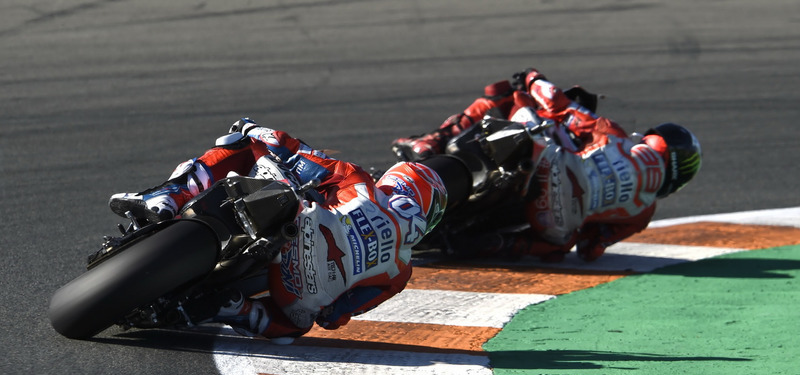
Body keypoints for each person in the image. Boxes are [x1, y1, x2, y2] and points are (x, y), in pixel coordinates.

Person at [109, 119, 467, 341]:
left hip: (302, 227)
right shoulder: (399, 273)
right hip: (298, 293)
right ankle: (235, 309)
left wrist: (253, 129)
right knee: (296, 328)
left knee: (242, 147)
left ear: (394, 181)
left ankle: (168, 196)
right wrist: (324, 302)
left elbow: (294, 149)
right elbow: (338, 316)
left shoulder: (359, 181)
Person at [392, 68, 702, 262]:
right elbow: (591, 249)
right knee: (557, 247)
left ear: (652, 140)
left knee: (507, 97)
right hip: (555, 219)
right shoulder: (642, 214)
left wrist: (532, 78)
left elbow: (561, 106)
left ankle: (433, 140)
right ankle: (496, 244)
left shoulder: (616, 136)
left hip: (551, 162)